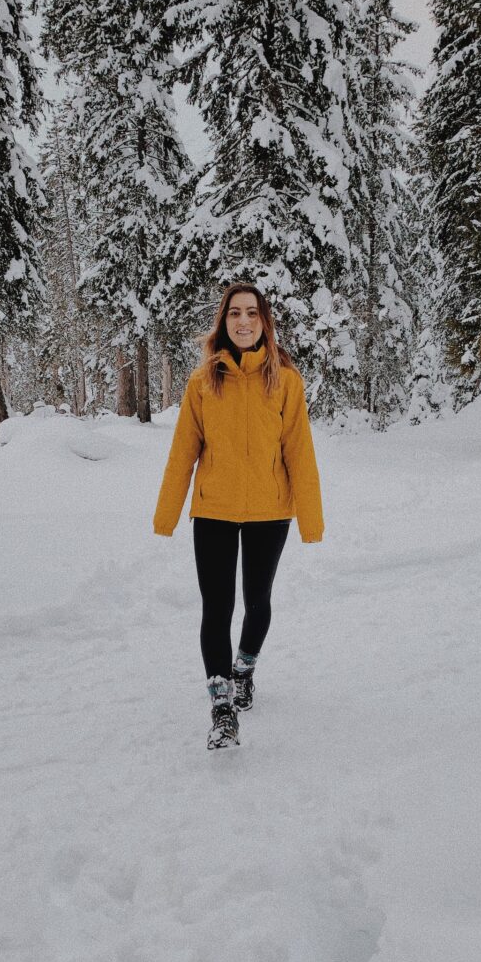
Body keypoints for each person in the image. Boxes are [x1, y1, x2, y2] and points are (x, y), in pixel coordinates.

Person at [153, 282, 324, 749]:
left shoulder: (286, 381)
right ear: (223, 322)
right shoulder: (202, 381)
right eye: (234, 314)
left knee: (257, 600)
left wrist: (311, 519)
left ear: (264, 321)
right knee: (217, 607)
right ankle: (222, 705)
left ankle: (244, 668)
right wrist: (167, 514)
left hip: (271, 511)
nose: (243, 321)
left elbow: (299, 453)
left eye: (251, 313)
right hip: (214, 511)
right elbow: (182, 453)